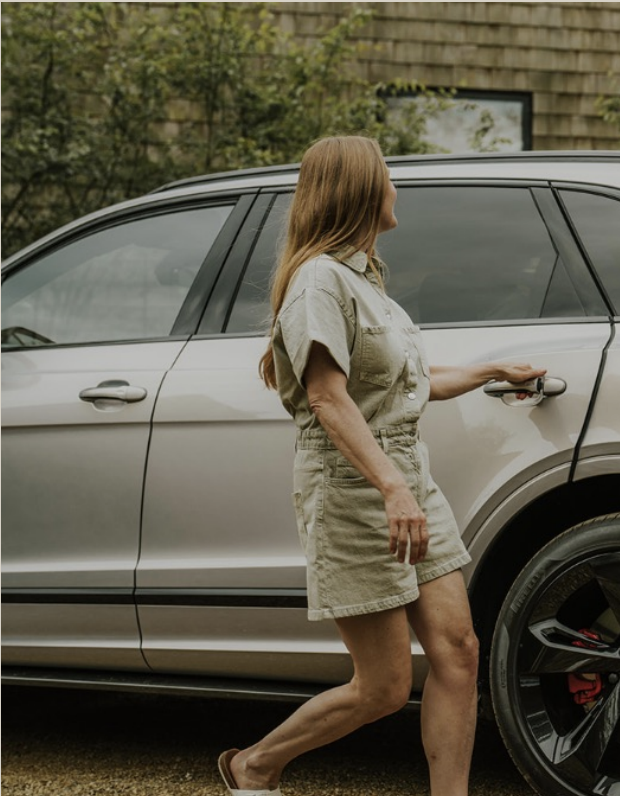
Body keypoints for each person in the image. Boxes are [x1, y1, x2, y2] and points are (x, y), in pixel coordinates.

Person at [218, 135, 545, 796]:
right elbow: (326, 397)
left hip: (406, 479)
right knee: (386, 687)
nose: (397, 190)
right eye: (389, 178)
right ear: (361, 190)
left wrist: (492, 369)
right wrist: (392, 488)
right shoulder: (317, 283)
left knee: (458, 653)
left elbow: (410, 382)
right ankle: (254, 765)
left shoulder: (367, 284)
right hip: (352, 488)